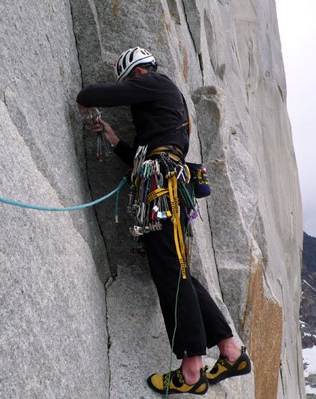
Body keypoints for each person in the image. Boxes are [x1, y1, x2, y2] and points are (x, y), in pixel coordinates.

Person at [76, 47, 251, 395]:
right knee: (180, 271)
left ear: (137, 74)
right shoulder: (161, 112)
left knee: (172, 274)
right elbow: (143, 155)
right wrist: (113, 138)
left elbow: (94, 95)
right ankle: (230, 352)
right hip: (164, 188)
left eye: (130, 82)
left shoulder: (156, 83)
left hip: (162, 190)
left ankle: (191, 371)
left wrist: (84, 98)